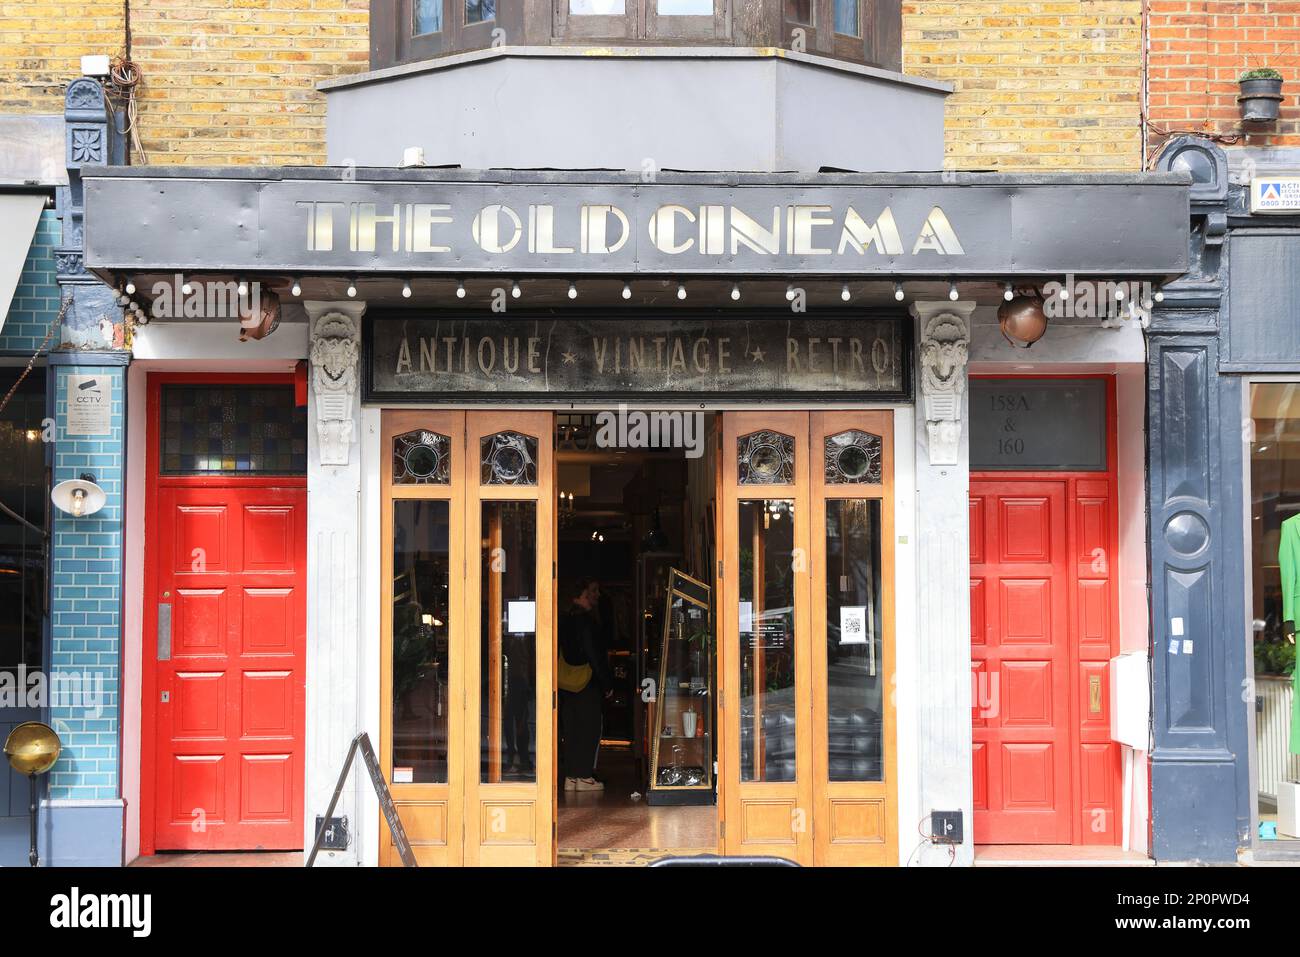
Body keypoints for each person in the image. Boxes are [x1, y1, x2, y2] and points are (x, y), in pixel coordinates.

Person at [559, 577, 613, 792]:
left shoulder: (563, 619)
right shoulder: (587, 621)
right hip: (586, 682)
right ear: (577, 597)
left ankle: (571, 776)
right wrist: (607, 683)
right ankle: (584, 776)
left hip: (566, 681)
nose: (594, 596)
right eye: (588, 593)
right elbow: (594, 654)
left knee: (571, 729)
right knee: (589, 728)